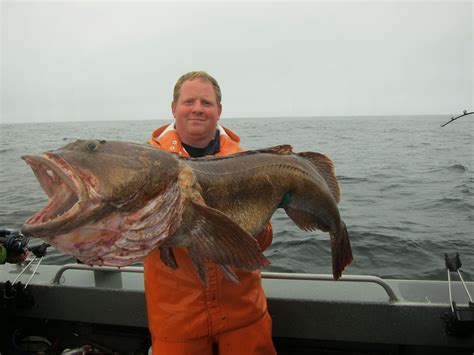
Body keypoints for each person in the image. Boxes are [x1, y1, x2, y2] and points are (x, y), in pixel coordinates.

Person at [144, 71, 277, 355]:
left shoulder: (249, 164)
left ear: (219, 111)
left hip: (244, 315)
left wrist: (260, 219)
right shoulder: (146, 165)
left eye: (206, 102)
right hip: (176, 322)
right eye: (189, 101)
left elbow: (261, 246)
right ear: (173, 108)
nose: (197, 109)